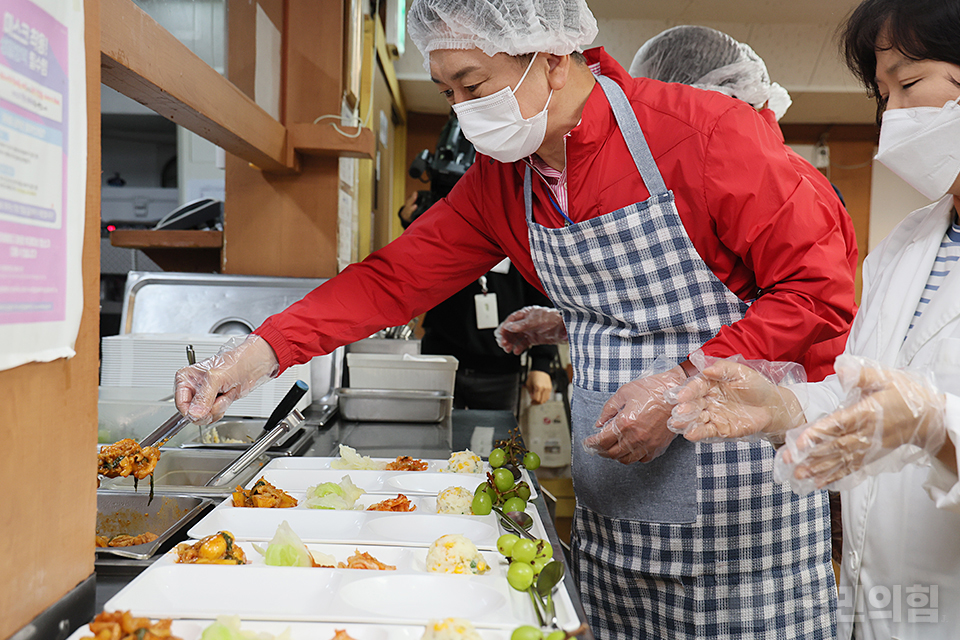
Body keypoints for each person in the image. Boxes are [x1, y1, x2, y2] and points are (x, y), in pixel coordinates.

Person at [174, 0, 857, 636]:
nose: (464, 111)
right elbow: (392, 281)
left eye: (474, 84)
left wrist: (685, 384)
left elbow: (818, 290)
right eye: (448, 93)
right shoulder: (505, 181)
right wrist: (256, 355)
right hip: (613, 519)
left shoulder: (703, 134)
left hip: (743, 524)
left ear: (553, 59)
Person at [667, 1, 960, 637]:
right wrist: (783, 407)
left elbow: (918, 411)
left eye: (911, 84)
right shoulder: (909, 245)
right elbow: (863, 391)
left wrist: (941, 426)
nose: (896, 116)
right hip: (876, 602)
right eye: (885, 96)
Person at [499, 25, 860, 381]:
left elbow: (804, 304)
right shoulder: (677, 177)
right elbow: (705, 298)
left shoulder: (795, 182)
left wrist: (689, 377)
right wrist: (576, 321)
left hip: (790, 405)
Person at [399, 191, 558, 411]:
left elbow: (543, 300)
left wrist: (541, 364)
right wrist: (410, 223)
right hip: (442, 359)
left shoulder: (525, 227)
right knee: (432, 440)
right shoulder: (454, 212)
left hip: (500, 369)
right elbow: (418, 263)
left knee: (497, 443)